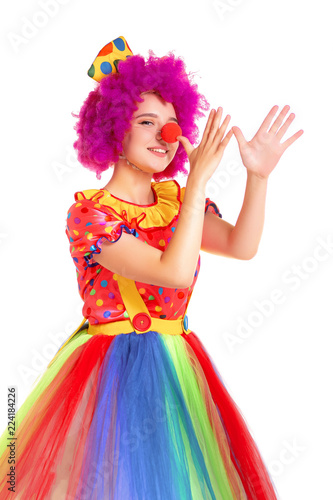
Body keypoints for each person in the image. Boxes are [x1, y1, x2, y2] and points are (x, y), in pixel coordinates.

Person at [0, 36, 303, 499]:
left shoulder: (176, 202)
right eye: (146, 122)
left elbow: (242, 247)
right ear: (114, 129)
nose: (166, 136)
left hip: (178, 368)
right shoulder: (91, 215)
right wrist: (199, 180)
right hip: (106, 375)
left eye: (172, 124)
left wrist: (257, 177)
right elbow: (174, 272)